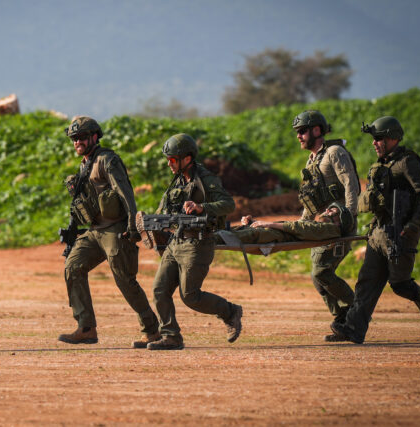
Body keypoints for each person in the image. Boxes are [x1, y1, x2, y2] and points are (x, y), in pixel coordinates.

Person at [331, 116, 420, 344]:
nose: (374, 143)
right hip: (378, 233)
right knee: (367, 282)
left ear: (393, 138)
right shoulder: (380, 165)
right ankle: (353, 328)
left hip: (400, 233)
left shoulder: (407, 162)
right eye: (374, 139)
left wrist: (414, 224)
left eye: (379, 138)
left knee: (400, 284)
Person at [58, 116, 160, 348]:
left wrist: (133, 225)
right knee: (73, 266)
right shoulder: (84, 165)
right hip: (94, 231)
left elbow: (125, 193)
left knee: (124, 280)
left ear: (95, 137)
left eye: (82, 137)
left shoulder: (107, 160)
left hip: (115, 229)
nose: (77, 142)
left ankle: (152, 330)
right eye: (74, 139)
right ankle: (86, 328)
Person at [147, 133, 241, 350]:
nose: (169, 163)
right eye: (168, 159)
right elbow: (164, 210)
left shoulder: (206, 179)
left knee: (190, 296)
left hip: (198, 243)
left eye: (172, 159)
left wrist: (202, 208)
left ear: (187, 158)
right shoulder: (177, 181)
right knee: (159, 290)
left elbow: (228, 204)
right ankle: (171, 336)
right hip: (175, 242)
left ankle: (230, 311)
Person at [292, 110, 360, 341]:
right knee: (316, 277)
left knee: (322, 271)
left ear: (317, 130)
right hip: (320, 228)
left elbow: (351, 184)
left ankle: (357, 312)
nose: (299, 136)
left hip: (338, 226)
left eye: (302, 131)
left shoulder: (334, 153)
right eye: (297, 133)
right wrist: (300, 227)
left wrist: (349, 216)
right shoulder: (312, 161)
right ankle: (342, 318)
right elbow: (311, 201)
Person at [221, 202, 353, 245]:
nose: (327, 210)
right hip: (272, 232)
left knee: (226, 236)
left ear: (339, 222)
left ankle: (210, 238)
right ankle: (212, 234)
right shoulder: (325, 228)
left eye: (332, 212)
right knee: (233, 230)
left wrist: (268, 224)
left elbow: (300, 227)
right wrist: (254, 222)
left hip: (274, 235)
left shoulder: (332, 229)